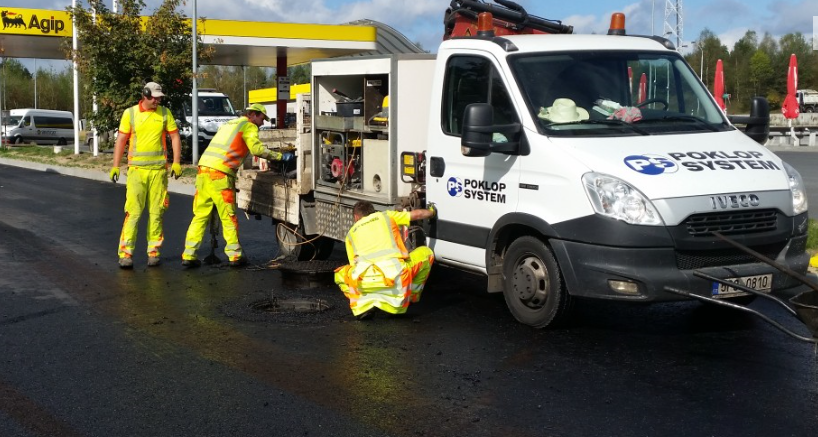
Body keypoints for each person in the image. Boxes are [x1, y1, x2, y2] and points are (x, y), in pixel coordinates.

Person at [181, 103, 293, 268]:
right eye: (262, 118)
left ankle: (189, 255)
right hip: (220, 175)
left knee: (200, 216)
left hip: (203, 172)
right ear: (253, 115)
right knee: (228, 216)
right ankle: (235, 255)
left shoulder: (231, 123)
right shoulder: (249, 126)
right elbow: (256, 149)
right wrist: (280, 157)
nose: (262, 123)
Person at [109, 81, 182, 269]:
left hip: (158, 172)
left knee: (156, 213)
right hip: (137, 172)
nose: (158, 101)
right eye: (155, 98)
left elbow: (174, 136)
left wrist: (176, 162)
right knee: (133, 213)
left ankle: (154, 252)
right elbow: (121, 140)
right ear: (146, 95)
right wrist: (116, 166)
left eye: (159, 98)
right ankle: (126, 254)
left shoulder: (164, 113)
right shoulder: (130, 114)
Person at [334, 200, 436, 319]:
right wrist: (432, 212)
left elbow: (353, 264)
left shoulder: (350, 234)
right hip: (396, 276)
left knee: (339, 275)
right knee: (426, 253)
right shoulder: (386, 216)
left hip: (365, 280)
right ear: (372, 211)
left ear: (356, 217)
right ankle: (410, 297)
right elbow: (417, 215)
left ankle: (363, 306)